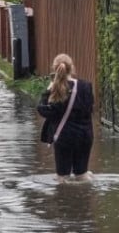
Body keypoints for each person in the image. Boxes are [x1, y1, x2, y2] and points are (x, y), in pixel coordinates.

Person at [36, 53, 95, 183]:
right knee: (82, 175)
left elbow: (43, 110)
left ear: (54, 69)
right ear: (72, 68)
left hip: (64, 137)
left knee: (62, 178)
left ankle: (64, 201)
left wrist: (47, 91)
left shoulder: (56, 90)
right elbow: (90, 109)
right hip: (85, 136)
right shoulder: (86, 86)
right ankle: (86, 200)